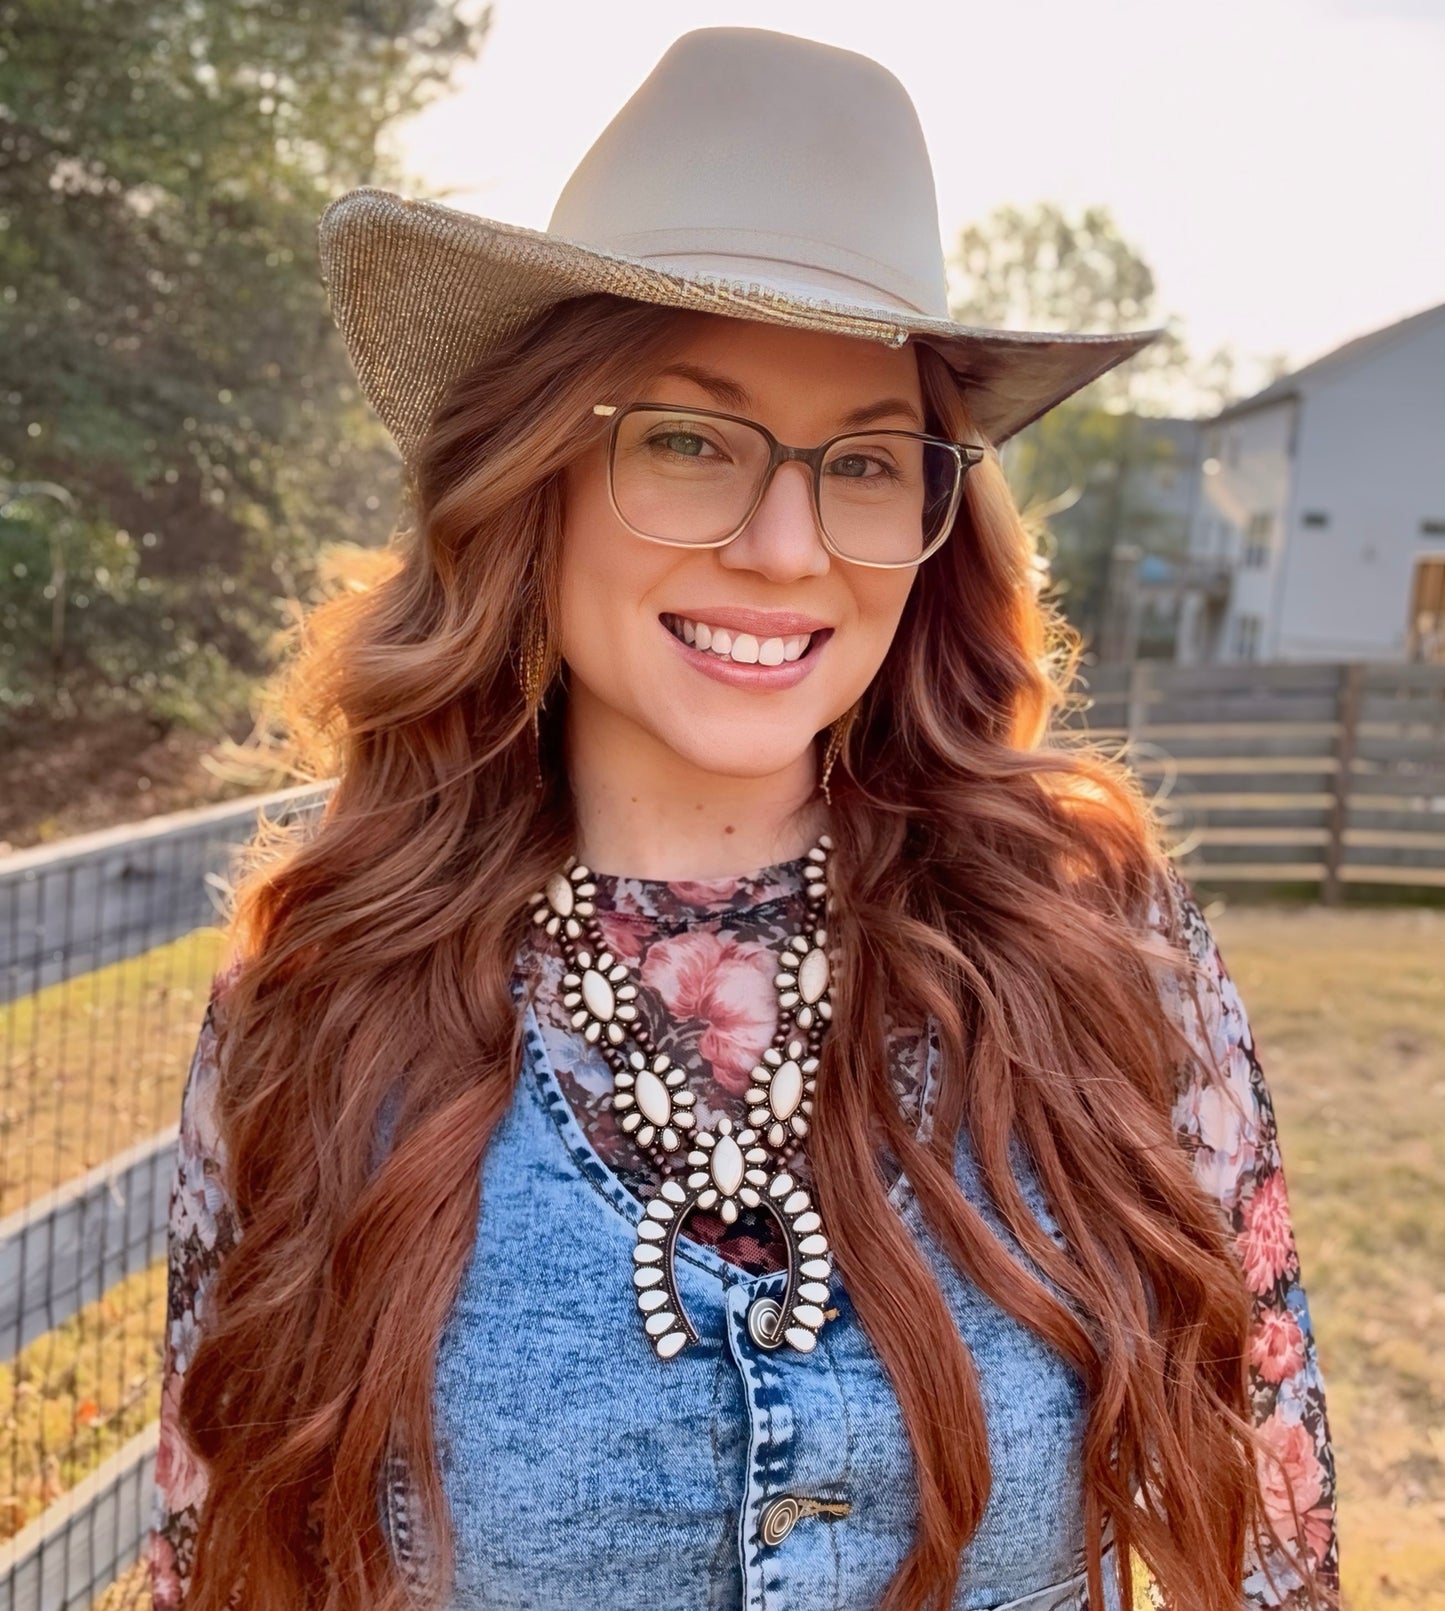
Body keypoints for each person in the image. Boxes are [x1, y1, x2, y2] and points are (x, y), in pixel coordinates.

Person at [147, 26, 1339, 1611]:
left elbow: (1271, 1550)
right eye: (691, 441)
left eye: (862, 461)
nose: (786, 549)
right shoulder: (317, 1005)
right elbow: (217, 1567)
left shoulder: (1103, 952)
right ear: (529, 478)